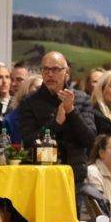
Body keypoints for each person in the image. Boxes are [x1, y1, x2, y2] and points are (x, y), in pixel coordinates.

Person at [18, 52, 97, 185]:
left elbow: (90, 140)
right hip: (42, 176)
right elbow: (28, 142)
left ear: (66, 72)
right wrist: (56, 123)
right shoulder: (29, 102)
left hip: (74, 176)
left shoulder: (82, 99)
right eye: (46, 69)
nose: (50, 74)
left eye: (55, 69)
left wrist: (71, 111)